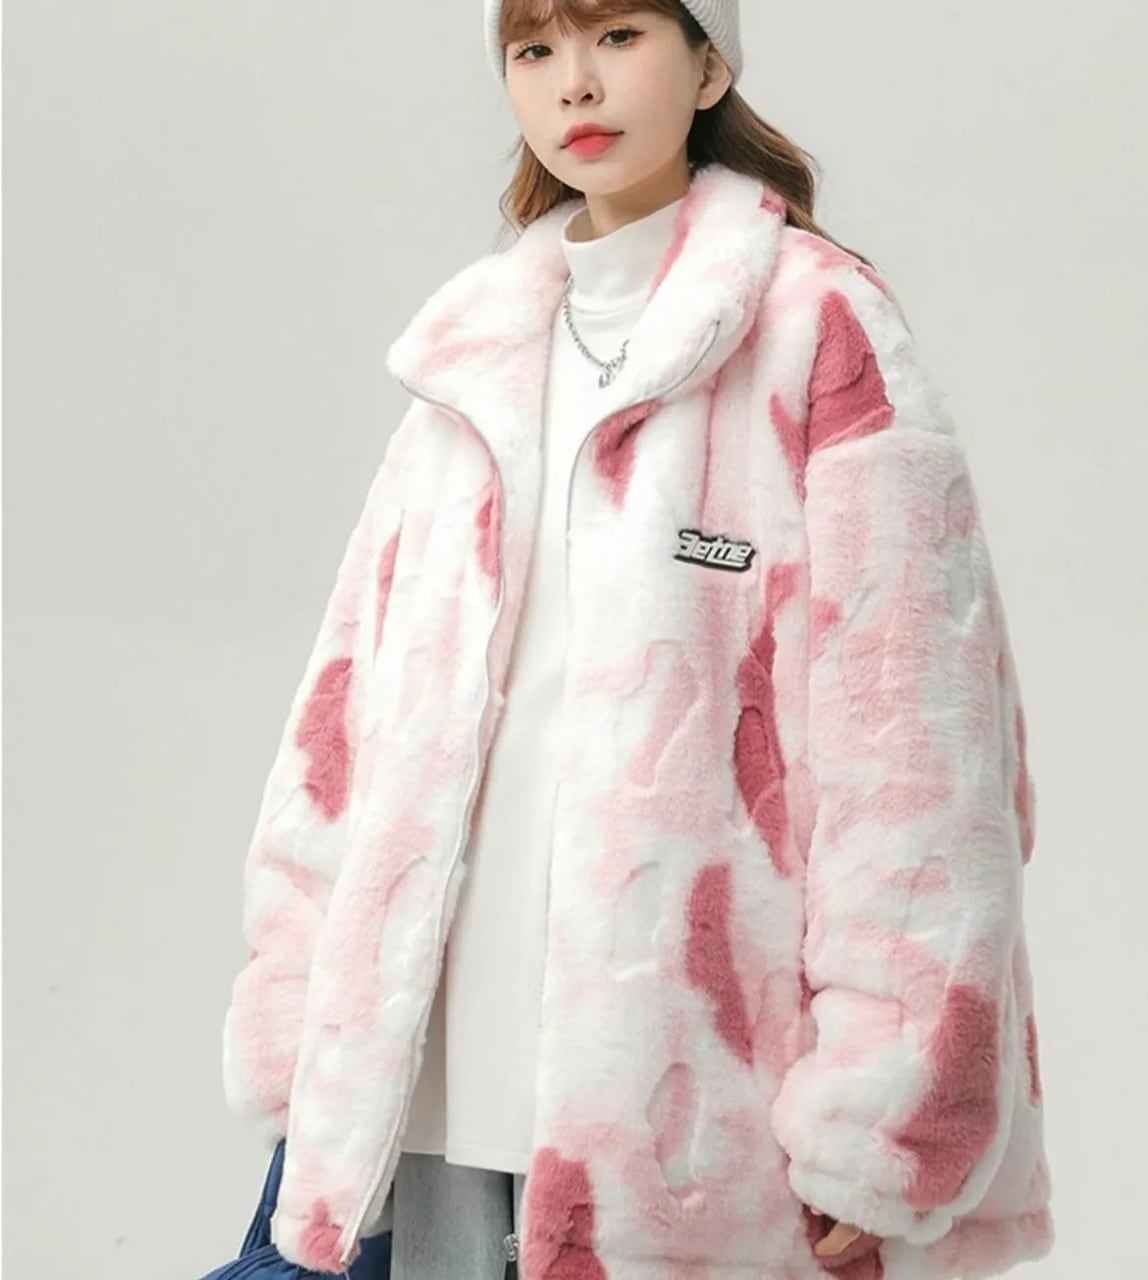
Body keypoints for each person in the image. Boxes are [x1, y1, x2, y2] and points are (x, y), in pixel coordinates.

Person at [219, 2, 1056, 1277]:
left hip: (680, 1109)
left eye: (616, 36)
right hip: (428, 1084)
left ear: (707, 63)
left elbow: (918, 754)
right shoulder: (469, 356)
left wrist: (886, 1099)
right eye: (534, 50)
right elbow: (345, 724)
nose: (573, 84)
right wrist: (302, 1021)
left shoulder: (816, 328)